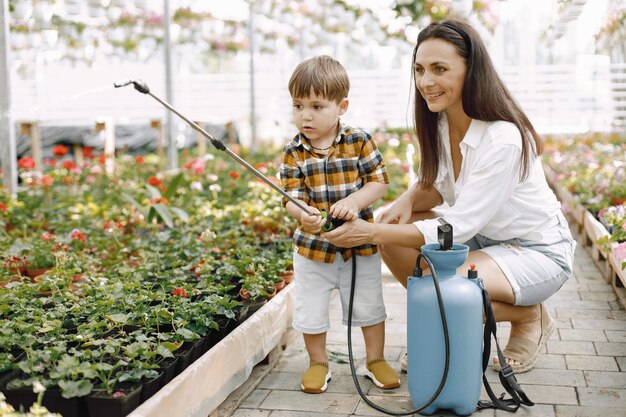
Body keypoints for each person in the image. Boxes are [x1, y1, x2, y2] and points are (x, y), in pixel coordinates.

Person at [324, 20, 576, 374]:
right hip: (483, 241)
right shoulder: (443, 123)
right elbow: (441, 185)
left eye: (439, 69)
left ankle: (527, 315)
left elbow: (456, 226)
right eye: (420, 69)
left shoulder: (503, 139)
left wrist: (368, 233)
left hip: (536, 251)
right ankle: (446, 318)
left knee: (445, 287)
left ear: (471, 71)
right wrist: (407, 201)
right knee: (395, 237)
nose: (426, 81)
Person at [280, 55, 400, 393]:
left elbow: (378, 182)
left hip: (358, 245)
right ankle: (318, 362)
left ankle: (374, 359)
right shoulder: (293, 152)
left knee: (369, 304)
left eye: (317, 106)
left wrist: (354, 202)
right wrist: (302, 215)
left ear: (341, 106)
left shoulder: (359, 140)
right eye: (298, 105)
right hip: (312, 249)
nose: (305, 115)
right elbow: (289, 196)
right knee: (311, 307)